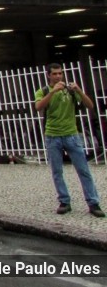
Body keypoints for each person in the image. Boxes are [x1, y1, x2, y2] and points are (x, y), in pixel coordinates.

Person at [35, 63, 105, 218]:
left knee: (83, 170)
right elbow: (38, 106)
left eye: (60, 73)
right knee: (57, 171)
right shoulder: (44, 91)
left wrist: (78, 90)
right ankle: (64, 200)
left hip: (71, 134)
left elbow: (90, 105)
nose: (58, 76)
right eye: (54, 74)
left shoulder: (71, 91)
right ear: (49, 75)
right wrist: (53, 92)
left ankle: (93, 202)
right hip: (53, 135)